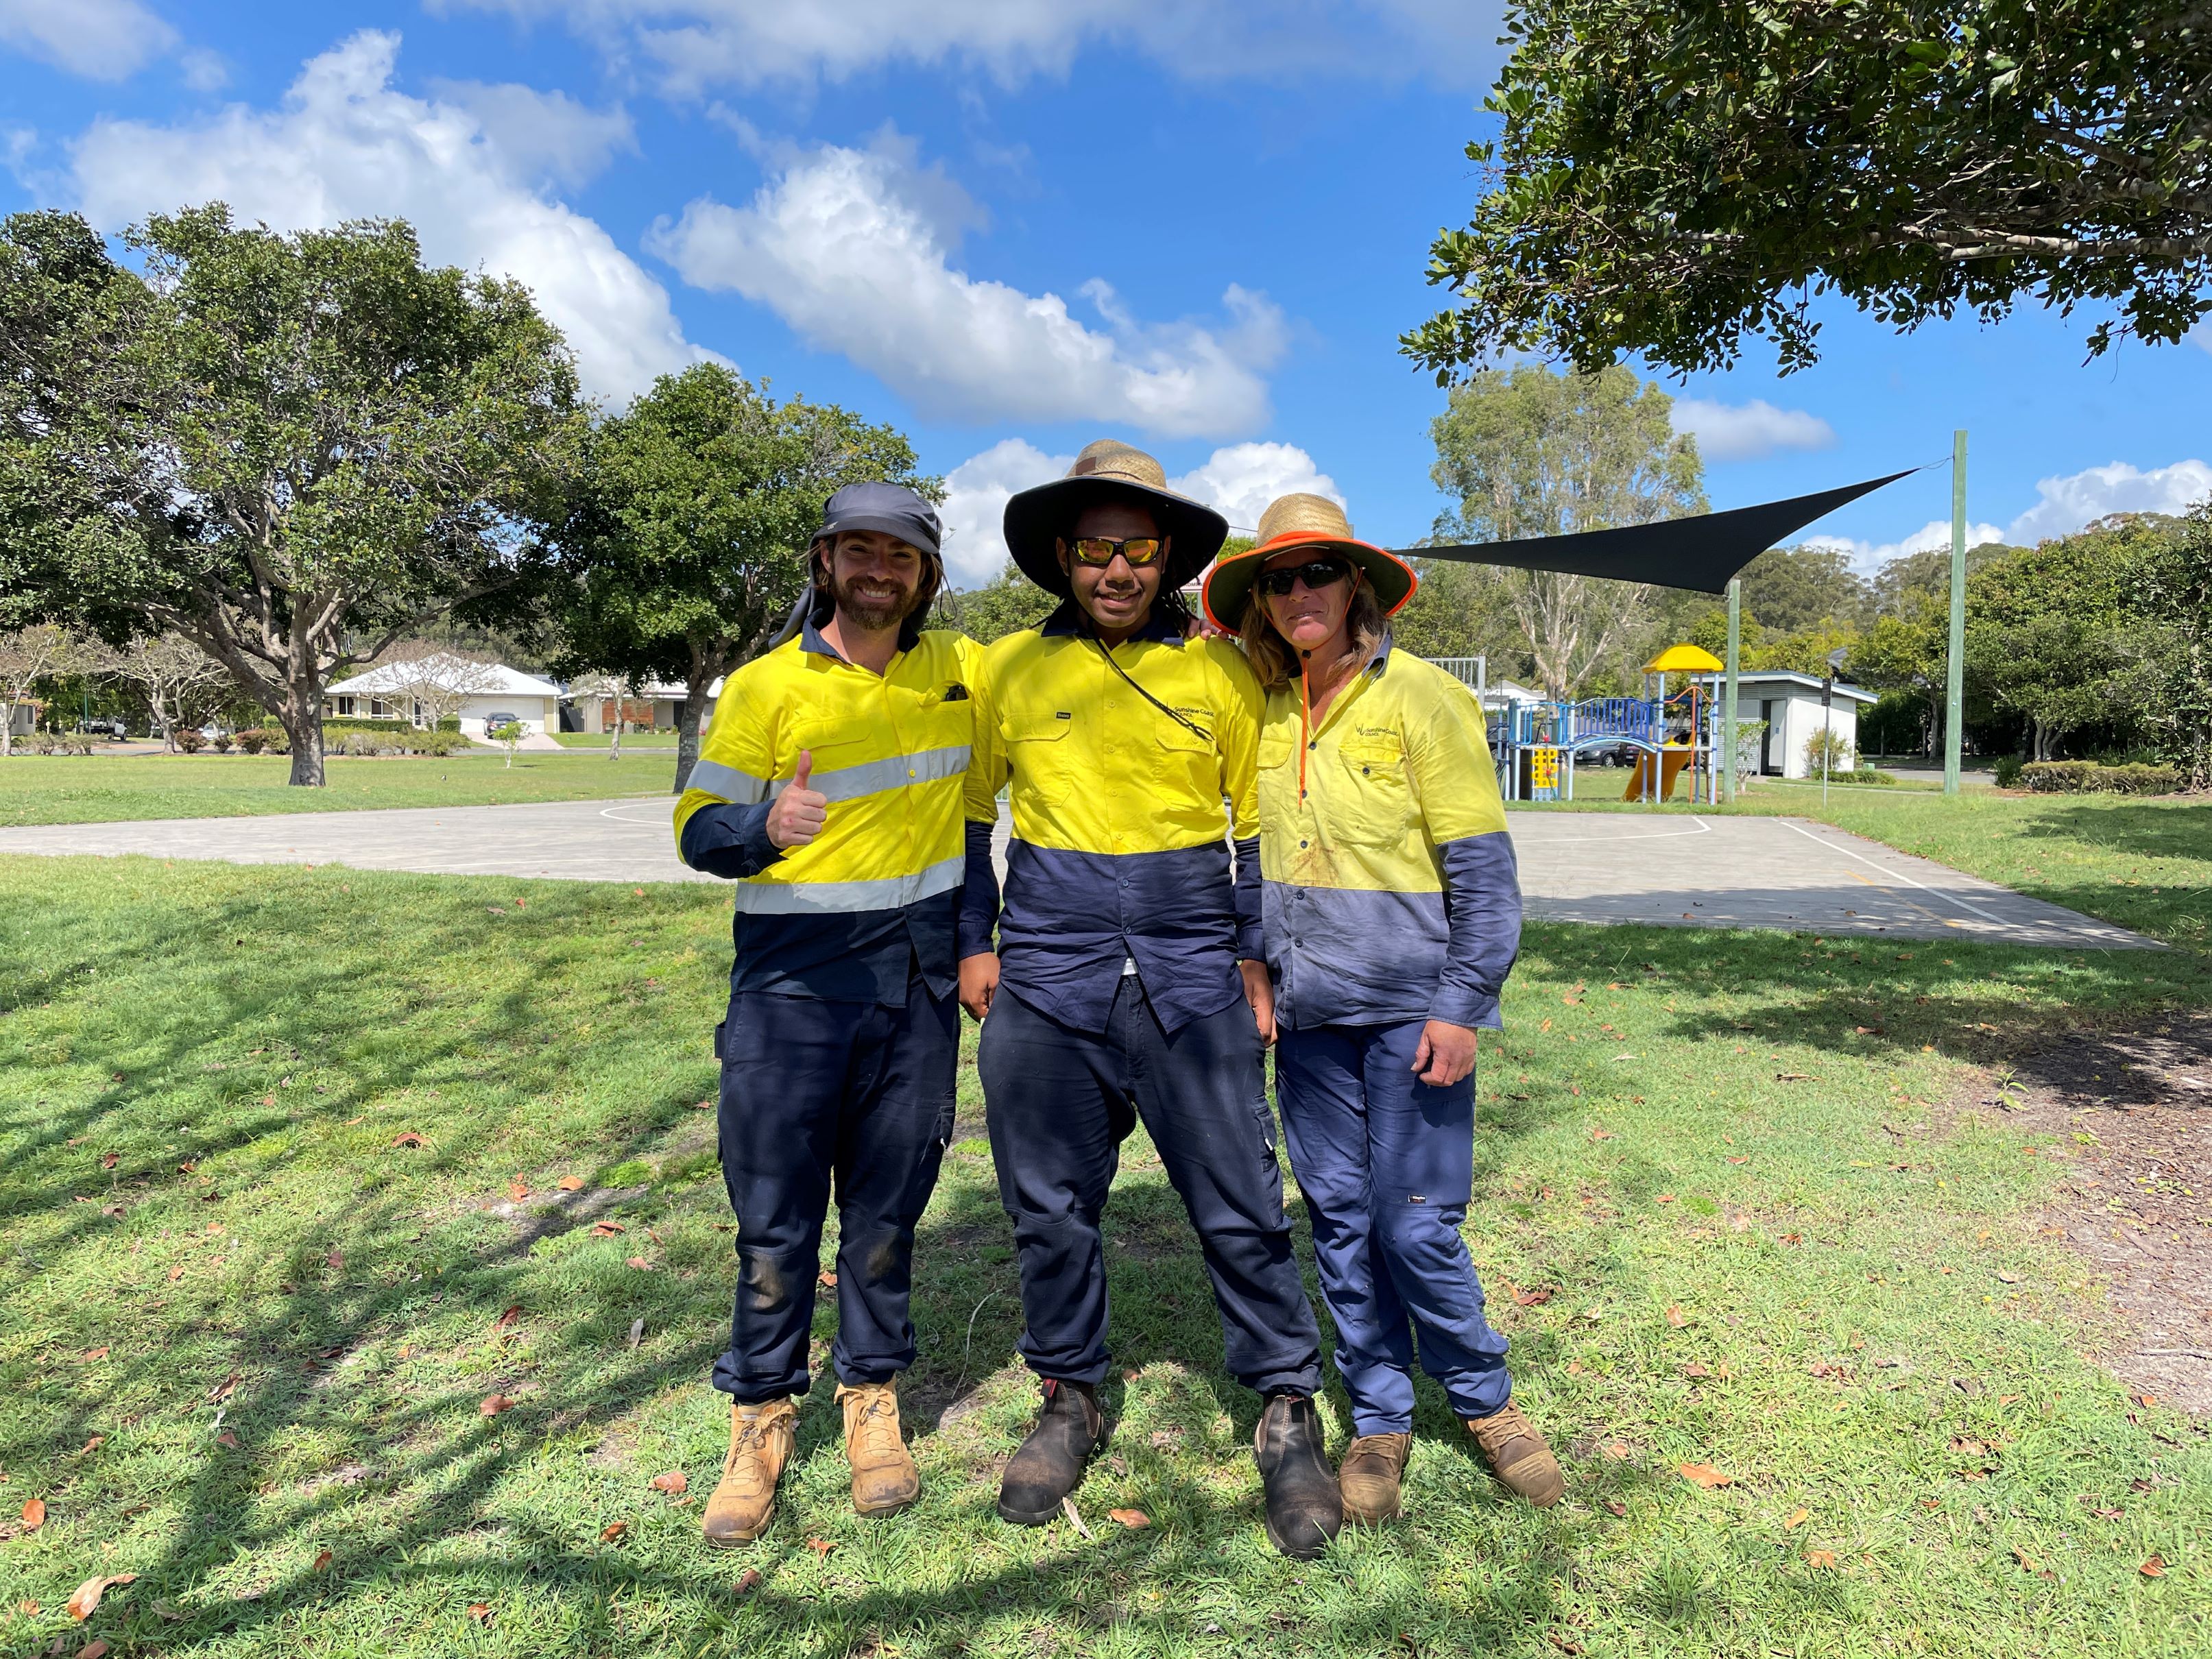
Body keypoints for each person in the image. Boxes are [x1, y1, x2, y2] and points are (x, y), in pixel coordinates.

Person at [958, 441, 1342, 1559]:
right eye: (1094, 549)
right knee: (1047, 1205)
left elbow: (1261, 830)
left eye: (1137, 548)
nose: (1116, 569)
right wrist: (971, 946)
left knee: (1239, 1199)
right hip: (1045, 961)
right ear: (1062, 558)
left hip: (1191, 958)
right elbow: (972, 818)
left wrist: (1258, 954)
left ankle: (1284, 1411)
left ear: (1167, 556)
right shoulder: (1007, 673)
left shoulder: (1225, 674)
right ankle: (1068, 1399)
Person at [1200, 492, 1561, 1524]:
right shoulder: (1264, 712)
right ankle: (1380, 1420)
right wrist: (1254, 963)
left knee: (1416, 1228)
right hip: (1310, 1020)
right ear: (1258, 600)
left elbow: (1483, 877)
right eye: (1277, 579)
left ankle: (1486, 1403)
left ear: (1356, 583)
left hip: (1413, 1013)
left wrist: (1461, 1003)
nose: (1299, 592)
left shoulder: (1427, 699)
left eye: (1317, 572)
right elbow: (1247, 856)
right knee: (1343, 1224)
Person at [674, 482, 981, 1545]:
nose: (878, 570)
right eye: (859, 550)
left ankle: (870, 1402)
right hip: (791, 992)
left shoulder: (961, 673)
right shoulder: (764, 688)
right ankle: (758, 1420)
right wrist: (762, 822)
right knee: (775, 1225)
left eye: (899, 556)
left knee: (888, 1218)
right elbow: (695, 830)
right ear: (825, 563)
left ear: (926, 576)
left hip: (916, 993)